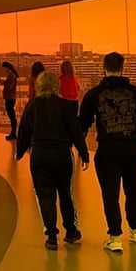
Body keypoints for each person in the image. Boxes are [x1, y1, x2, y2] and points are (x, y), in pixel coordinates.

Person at [80, 52, 136, 253]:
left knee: (110, 193)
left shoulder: (94, 94)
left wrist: (81, 150)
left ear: (103, 68)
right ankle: (135, 228)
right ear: (122, 68)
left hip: (107, 148)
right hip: (133, 147)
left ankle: (114, 236)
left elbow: (83, 123)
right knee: (134, 190)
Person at [16, 71, 90, 249]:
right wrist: (84, 153)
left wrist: (19, 153)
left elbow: (24, 132)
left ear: (38, 86)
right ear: (57, 86)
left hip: (40, 155)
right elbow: (75, 132)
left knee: (45, 195)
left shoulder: (32, 105)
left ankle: (51, 235)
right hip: (62, 154)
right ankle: (71, 231)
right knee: (65, 193)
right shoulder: (65, 106)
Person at [1, 61, 19, 140]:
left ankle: (13, 133)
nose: (4, 70)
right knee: (12, 115)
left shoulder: (11, 76)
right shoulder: (12, 75)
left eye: (4, 68)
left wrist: (5, 83)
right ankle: (13, 132)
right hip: (10, 97)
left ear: (7, 67)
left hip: (10, 97)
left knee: (11, 116)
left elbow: (9, 86)